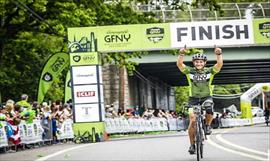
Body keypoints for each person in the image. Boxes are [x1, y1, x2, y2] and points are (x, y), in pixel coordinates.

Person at [177, 45, 223, 154]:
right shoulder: (189, 71)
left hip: (207, 97)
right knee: (192, 120)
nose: (199, 64)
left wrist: (219, 54)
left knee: (209, 108)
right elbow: (179, 64)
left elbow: (219, 64)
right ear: (194, 63)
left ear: (205, 63)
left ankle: (207, 125)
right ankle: (192, 145)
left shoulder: (210, 71)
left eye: (201, 62)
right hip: (193, 98)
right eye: (197, 62)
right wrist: (181, 54)